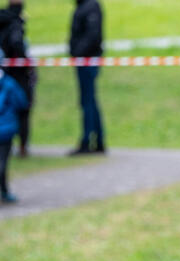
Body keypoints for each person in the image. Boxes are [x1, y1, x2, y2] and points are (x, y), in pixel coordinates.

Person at [69, 0, 104, 155]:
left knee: (87, 101)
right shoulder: (84, 6)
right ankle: (98, 140)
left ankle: (88, 140)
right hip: (84, 59)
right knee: (90, 100)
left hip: (87, 60)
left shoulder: (90, 7)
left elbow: (93, 35)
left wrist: (77, 52)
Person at [0, 0, 35, 157]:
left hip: (4, 71)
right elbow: (17, 43)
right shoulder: (15, 23)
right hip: (17, 74)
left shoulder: (3, 20)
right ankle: (22, 145)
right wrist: (24, 62)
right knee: (23, 107)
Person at [0, 50, 28, 203]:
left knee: (2, 165)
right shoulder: (10, 83)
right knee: (2, 164)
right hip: (6, 131)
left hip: (5, 131)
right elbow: (22, 103)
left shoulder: (9, 85)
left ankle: (4, 191)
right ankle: (4, 191)